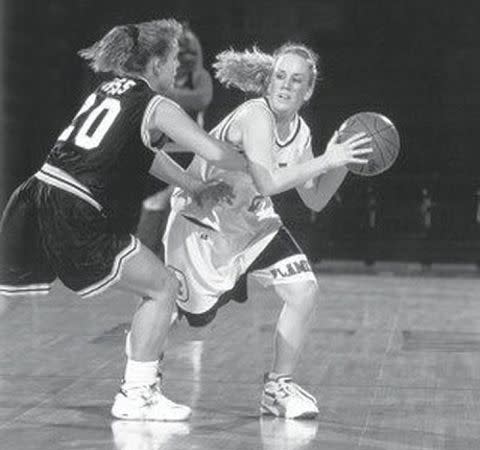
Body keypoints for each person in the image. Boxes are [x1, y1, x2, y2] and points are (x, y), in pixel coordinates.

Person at [0, 19, 247, 421]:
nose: (174, 71)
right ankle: (138, 394)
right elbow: (215, 153)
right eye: (170, 62)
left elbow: (142, 155)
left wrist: (193, 186)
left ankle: (139, 393)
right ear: (153, 64)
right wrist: (263, 167)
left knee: (5, 297)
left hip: (36, 193)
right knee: (163, 287)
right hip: (75, 208)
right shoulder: (156, 104)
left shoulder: (108, 89)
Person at [162, 43, 372, 418]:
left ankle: (278, 388)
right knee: (191, 323)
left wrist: (342, 160)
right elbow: (269, 181)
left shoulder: (300, 131)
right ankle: (141, 376)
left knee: (304, 291)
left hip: (253, 225)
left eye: (296, 80)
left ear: (307, 91)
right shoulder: (254, 115)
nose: (285, 86)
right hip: (201, 225)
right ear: (268, 82)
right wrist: (327, 159)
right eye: (279, 76)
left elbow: (316, 200)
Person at [137, 24, 214, 255]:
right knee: (154, 203)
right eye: (181, 52)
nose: (186, 57)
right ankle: (146, 260)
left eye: (192, 52)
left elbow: (201, 99)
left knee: (178, 205)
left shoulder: (199, 77)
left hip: (189, 153)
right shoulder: (160, 75)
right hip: (162, 151)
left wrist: (167, 95)